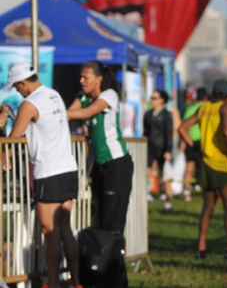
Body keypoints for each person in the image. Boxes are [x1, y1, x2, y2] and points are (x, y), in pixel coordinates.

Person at [0, 63, 81, 288]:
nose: (17, 91)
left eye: (17, 87)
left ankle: (52, 283)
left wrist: (4, 151)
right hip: (68, 168)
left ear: (24, 83)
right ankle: (76, 282)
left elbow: (16, 136)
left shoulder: (29, 103)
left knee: (50, 231)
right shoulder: (54, 94)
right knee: (65, 228)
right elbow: (40, 127)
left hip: (49, 172)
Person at [67, 61, 134, 288]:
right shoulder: (85, 95)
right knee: (100, 223)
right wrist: (72, 103)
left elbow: (83, 113)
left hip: (117, 165)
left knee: (113, 226)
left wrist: (59, 114)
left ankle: (117, 280)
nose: (81, 81)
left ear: (99, 79)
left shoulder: (109, 95)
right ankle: (103, 277)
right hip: (100, 167)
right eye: (80, 77)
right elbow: (74, 109)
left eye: (86, 77)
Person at [178, 79, 227, 258]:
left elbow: (182, 128)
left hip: (205, 163)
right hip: (224, 164)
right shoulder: (224, 108)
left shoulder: (203, 108)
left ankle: (201, 247)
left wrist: (194, 147)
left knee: (208, 208)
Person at [143, 89, 173, 206]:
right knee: (148, 171)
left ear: (162, 100)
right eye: (152, 98)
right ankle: (148, 193)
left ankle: (168, 201)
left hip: (163, 148)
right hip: (150, 147)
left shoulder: (167, 115)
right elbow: (145, 131)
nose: (152, 100)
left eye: (155, 98)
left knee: (165, 175)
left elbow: (169, 134)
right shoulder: (148, 114)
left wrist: (168, 150)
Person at [181, 87, 207, 200]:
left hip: (190, 140)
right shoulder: (205, 108)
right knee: (204, 168)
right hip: (202, 141)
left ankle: (187, 191)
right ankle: (205, 192)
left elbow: (183, 126)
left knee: (189, 167)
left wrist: (186, 141)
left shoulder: (189, 108)